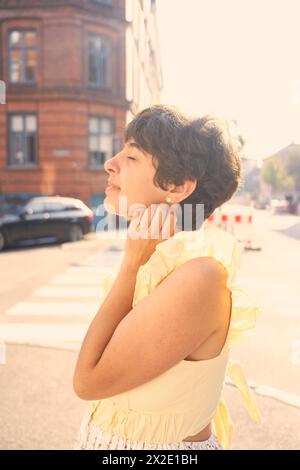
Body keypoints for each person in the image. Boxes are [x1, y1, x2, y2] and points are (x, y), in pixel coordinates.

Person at [73, 105, 261, 451]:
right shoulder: (162, 260)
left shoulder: (199, 276)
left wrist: (130, 265)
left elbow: (87, 380)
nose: (109, 163)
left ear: (177, 186)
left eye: (131, 157)